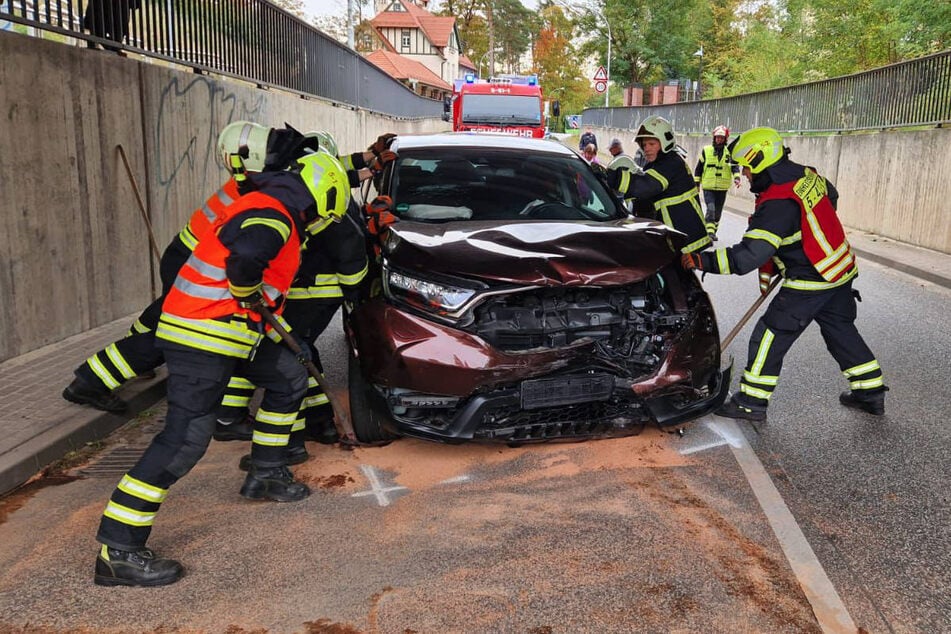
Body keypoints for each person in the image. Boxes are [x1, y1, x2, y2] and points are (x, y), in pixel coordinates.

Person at [93, 150, 352, 587]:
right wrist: (246, 290)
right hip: (201, 336)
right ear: (323, 199)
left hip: (232, 333)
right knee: (185, 440)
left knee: (290, 376)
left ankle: (266, 473)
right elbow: (246, 260)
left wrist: (280, 329)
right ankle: (118, 550)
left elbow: (263, 298)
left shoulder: (276, 211)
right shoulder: (275, 216)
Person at [62, 121, 311, 415]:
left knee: (160, 327)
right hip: (195, 265)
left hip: (189, 259)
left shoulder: (253, 183)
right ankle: (89, 382)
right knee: (167, 339)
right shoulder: (257, 192)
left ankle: (94, 376)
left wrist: (363, 164)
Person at [680, 127, 886, 422]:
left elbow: (748, 256)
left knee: (769, 334)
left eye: (748, 168)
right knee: (840, 331)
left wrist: (701, 260)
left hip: (811, 278)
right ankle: (870, 392)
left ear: (761, 160)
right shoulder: (806, 175)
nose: (746, 175)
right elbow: (832, 195)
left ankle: (751, 401)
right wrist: (803, 233)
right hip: (839, 268)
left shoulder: (778, 201)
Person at [215, 132, 397, 450]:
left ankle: (301, 430)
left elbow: (349, 250)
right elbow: (348, 253)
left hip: (305, 291)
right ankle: (306, 427)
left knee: (289, 353)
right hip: (298, 290)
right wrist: (356, 296)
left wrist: (356, 296)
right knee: (290, 352)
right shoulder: (317, 194)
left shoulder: (316, 197)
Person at [606, 115, 710, 254]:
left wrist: (612, 177)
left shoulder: (671, 163)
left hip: (686, 240)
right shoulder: (656, 165)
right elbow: (642, 198)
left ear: (665, 141)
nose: (646, 148)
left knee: (678, 276)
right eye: (644, 145)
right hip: (674, 238)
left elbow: (645, 187)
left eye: (652, 144)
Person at [694, 125, 741, 241]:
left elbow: (735, 167)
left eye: (721, 138)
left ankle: (712, 231)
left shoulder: (730, 153)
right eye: (717, 137)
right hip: (708, 187)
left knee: (718, 213)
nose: (719, 140)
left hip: (722, 187)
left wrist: (737, 179)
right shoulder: (706, 150)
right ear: (714, 138)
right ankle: (709, 234)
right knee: (711, 209)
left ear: (725, 139)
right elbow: (698, 168)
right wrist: (697, 185)